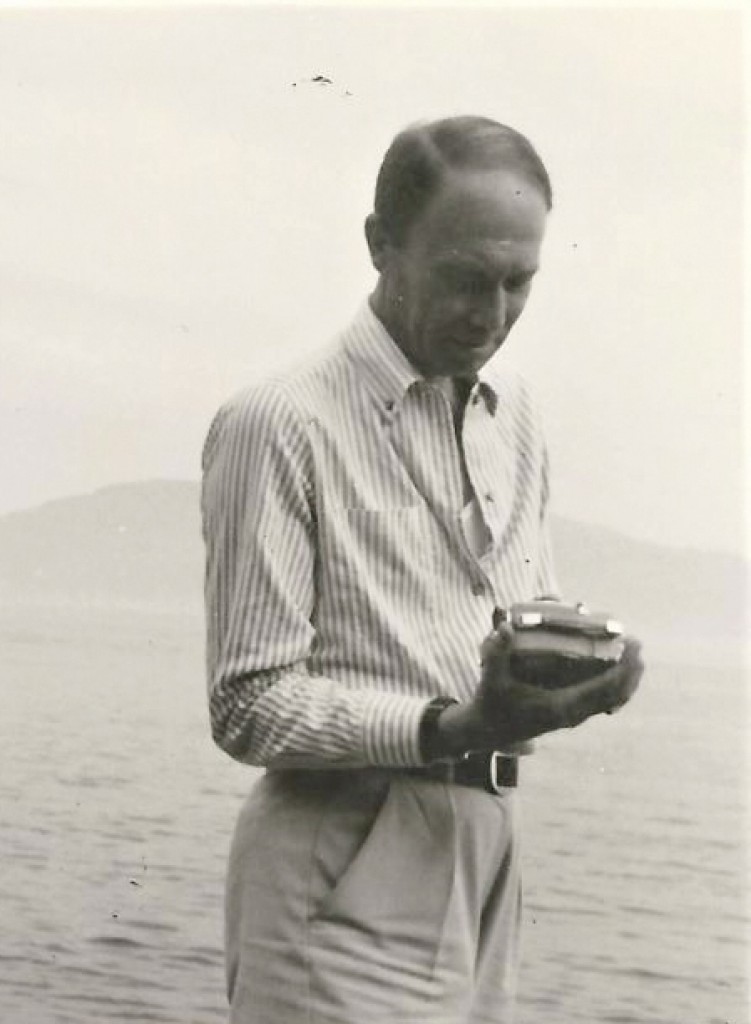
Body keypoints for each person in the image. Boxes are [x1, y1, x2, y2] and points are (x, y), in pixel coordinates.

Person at [201, 115, 644, 1024]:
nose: (491, 315)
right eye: (462, 278)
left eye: (518, 283)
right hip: (342, 852)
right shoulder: (280, 421)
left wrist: (577, 672)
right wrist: (456, 724)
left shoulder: (512, 410)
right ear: (380, 245)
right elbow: (247, 706)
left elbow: (506, 626)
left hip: (487, 851)